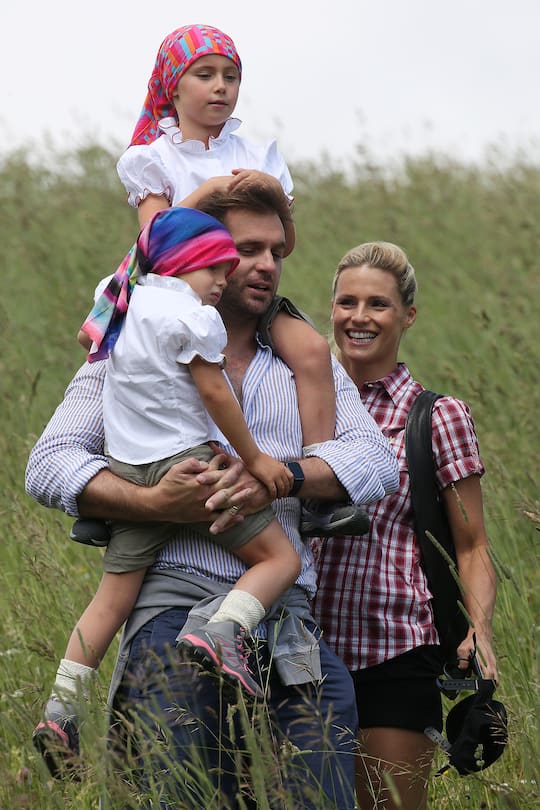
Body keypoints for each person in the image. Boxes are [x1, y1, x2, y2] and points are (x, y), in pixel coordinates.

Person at [26, 181, 399, 807]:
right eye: (245, 247)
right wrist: (151, 504)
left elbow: (374, 461)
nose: (263, 265)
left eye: (275, 251)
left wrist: (275, 475)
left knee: (323, 773)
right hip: (172, 606)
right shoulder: (123, 350)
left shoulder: (305, 363)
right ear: (201, 256)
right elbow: (49, 464)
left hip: (287, 626)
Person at [33, 205, 311, 767]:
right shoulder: (193, 317)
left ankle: (61, 711)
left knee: (110, 601)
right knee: (281, 561)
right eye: (217, 270)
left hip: (127, 470)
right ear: (189, 263)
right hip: (186, 467)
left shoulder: (125, 304)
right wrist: (253, 458)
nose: (222, 283)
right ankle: (223, 631)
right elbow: (213, 394)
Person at [108, 23, 363, 536]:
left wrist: (271, 190)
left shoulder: (256, 153)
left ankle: (315, 491)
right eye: (205, 75)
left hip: (247, 293)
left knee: (312, 351)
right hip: (181, 297)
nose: (221, 86)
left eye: (231, 75)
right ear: (173, 87)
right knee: (129, 364)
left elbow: (285, 244)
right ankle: (124, 483)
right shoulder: (154, 160)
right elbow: (154, 244)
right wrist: (209, 194)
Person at [311, 241, 499, 810]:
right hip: (299, 651)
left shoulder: (436, 417)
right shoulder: (298, 401)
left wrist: (480, 631)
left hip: (393, 652)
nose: (359, 318)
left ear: (407, 316)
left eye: (378, 305)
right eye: (347, 302)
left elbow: (471, 545)